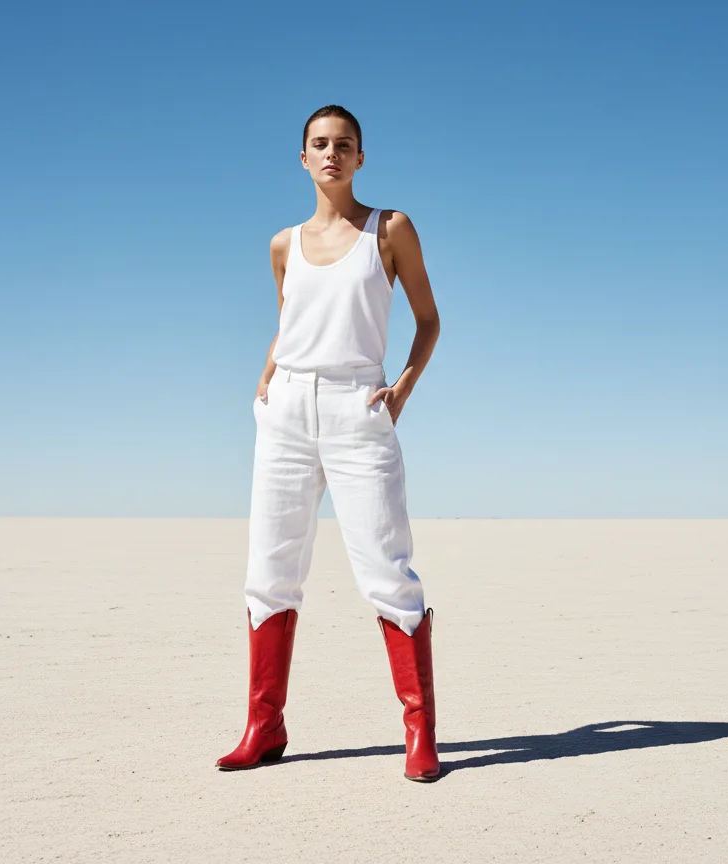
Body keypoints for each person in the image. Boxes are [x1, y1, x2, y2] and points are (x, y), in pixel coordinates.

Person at [215, 105, 443, 781]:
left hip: (357, 407)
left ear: (361, 158)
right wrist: (265, 381)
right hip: (285, 410)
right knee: (270, 570)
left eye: (344, 144)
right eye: (320, 144)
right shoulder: (283, 244)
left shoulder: (389, 230)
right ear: (304, 158)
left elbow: (428, 320)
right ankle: (264, 726)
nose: (332, 154)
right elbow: (292, 323)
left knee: (387, 569)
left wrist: (401, 390)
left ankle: (420, 731)